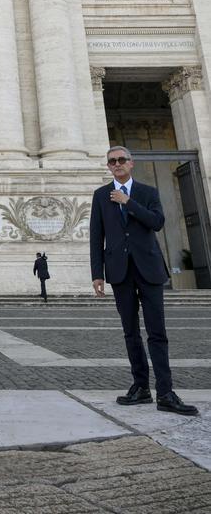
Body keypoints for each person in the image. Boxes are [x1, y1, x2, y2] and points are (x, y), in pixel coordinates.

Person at [90, 145, 198, 415]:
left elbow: (157, 222)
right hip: (120, 272)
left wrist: (129, 203)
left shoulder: (147, 193)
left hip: (149, 270)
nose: (117, 164)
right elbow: (96, 237)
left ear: (131, 163)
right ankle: (140, 387)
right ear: (108, 166)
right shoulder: (101, 195)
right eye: (112, 161)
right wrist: (97, 274)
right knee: (130, 333)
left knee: (157, 332)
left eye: (121, 160)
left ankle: (165, 392)